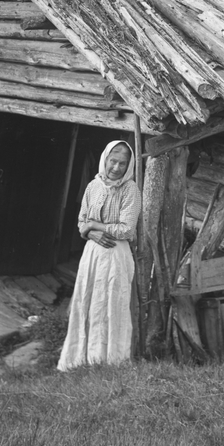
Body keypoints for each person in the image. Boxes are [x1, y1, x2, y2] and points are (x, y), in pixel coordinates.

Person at [57, 140, 142, 371]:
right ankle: (82, 358)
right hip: (93, 254)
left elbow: (127, 229)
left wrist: (95, 225)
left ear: (129, 166)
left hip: (116, 254)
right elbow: (81, 222)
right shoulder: (93, 187)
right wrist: (91, 233)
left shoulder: (130, 190)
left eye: (122, 164)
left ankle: (111, 359)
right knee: (89, 300)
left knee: (112, 302)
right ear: (105, 159)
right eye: (113, 161)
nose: (116, 167)